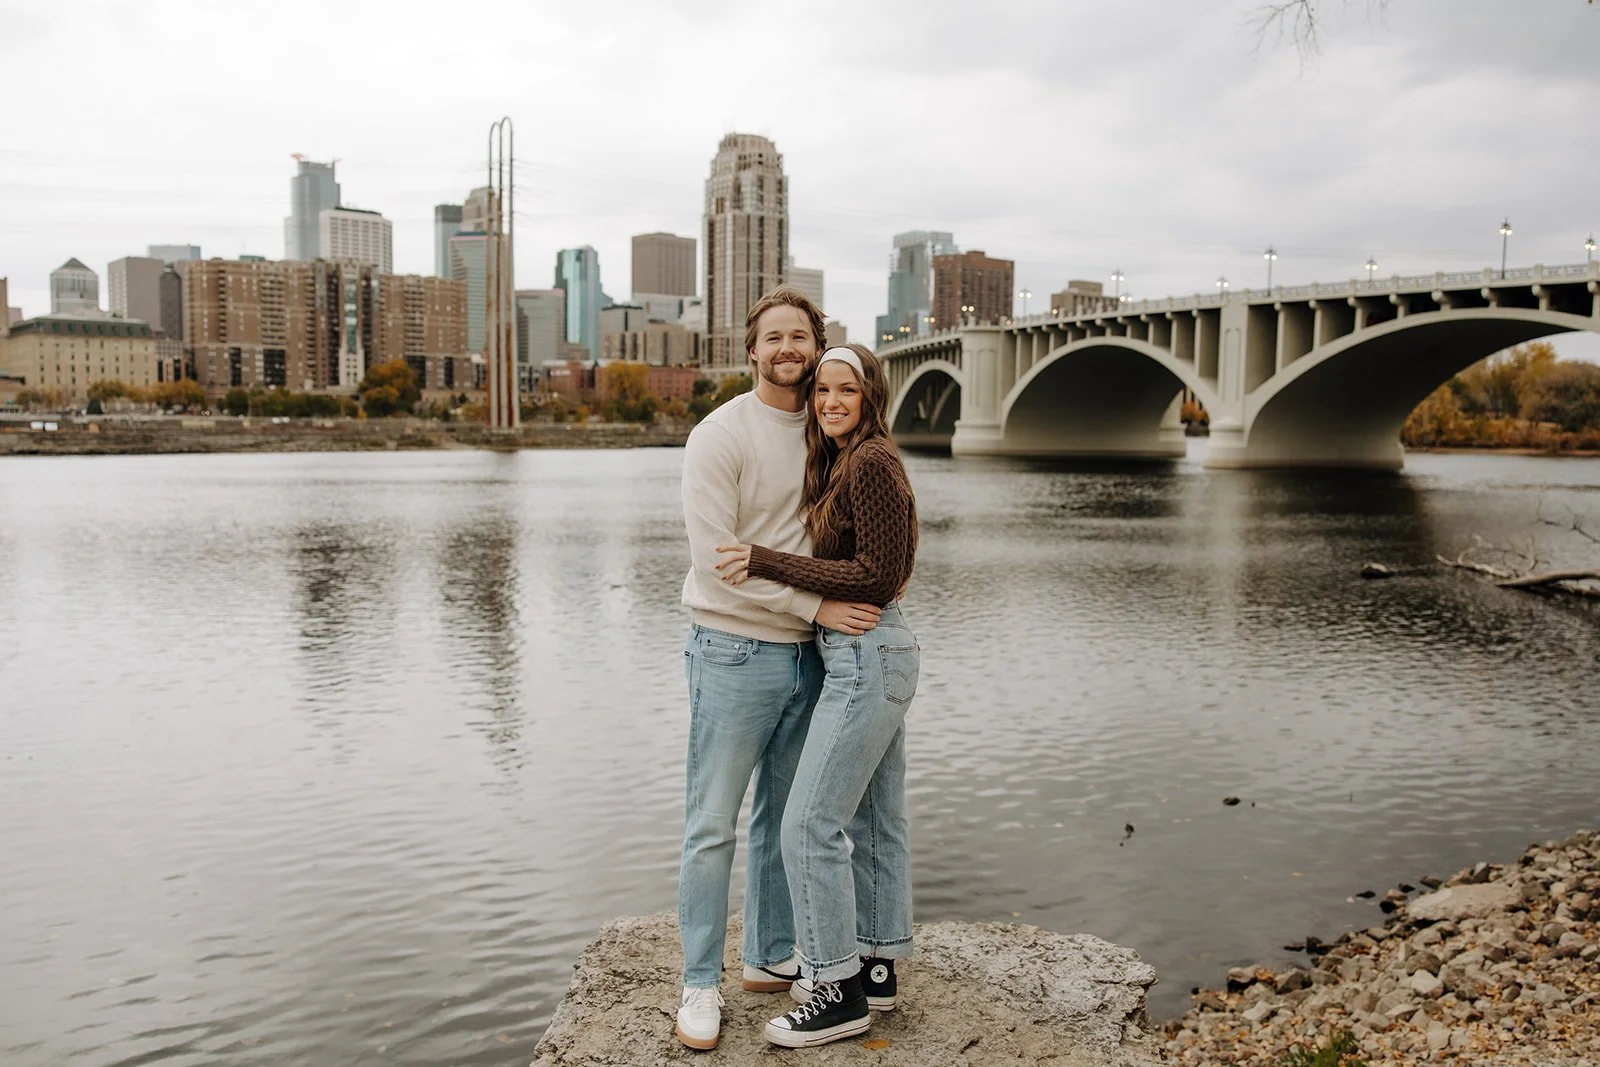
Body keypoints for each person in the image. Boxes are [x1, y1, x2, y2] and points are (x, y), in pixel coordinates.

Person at [675, 290, 886, 1050]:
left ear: (818, 345)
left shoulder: (830, 427)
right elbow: (714, 562)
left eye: (801, 336)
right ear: (752, 349)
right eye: (774, 337)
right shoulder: (719, 435)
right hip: (733, 649)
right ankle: (700, 981)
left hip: (810, 658)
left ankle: (768, 954)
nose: (788, 348)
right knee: (712, 825)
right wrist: (818, 608)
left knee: (781, 820)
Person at [714, 342, 921, 1049]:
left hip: (867, 655)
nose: (831, 401)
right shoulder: (851, 459)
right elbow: (880, 569)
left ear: (871, 396)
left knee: (809, 822)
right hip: (877, 649)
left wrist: (763, 557)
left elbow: (876, 571)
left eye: (847, 390)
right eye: (823, 390)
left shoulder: (870, 459)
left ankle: (836, 989)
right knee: (871, 820)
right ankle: (876, 960)